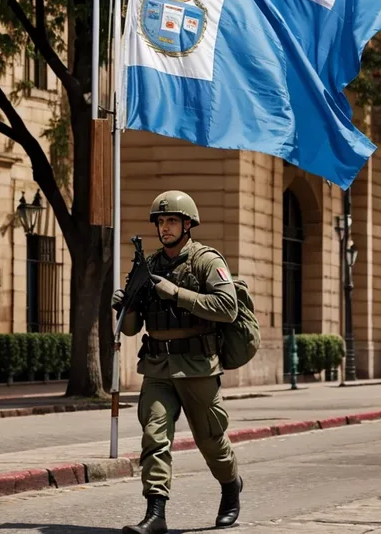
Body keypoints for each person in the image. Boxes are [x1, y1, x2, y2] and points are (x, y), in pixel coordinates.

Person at [113, 190, 243, 534]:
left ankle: (231, 487)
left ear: (188, 224)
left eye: (172, 220)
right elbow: (130, 329)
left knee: (211, 440)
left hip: (198, 364)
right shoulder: (149, 265)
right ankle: (156, 514)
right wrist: (123, 305)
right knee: (154, 436)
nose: (165, 227)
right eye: (161, 221)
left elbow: (227, 307)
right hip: (157, 366)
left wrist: (176, 293)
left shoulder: (207, 261)